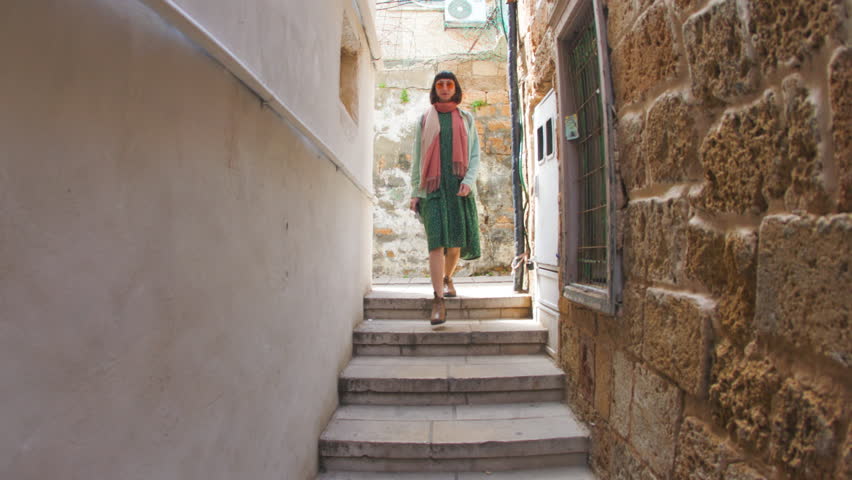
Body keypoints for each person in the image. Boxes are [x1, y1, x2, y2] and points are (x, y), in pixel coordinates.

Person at [409, 71, 481, 325]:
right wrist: (416, 192)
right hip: (432, 188)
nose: (445, 88)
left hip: (458, 186)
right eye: (440, 84)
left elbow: (474, 155)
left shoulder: (466, 118)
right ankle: (438, 300)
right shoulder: (424, 119)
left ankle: (449, 278)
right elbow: (418, 157)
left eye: (449, 84)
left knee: (455, 244)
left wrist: (468, 182)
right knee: (436, 243)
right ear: (434, 89)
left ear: (456, 88)